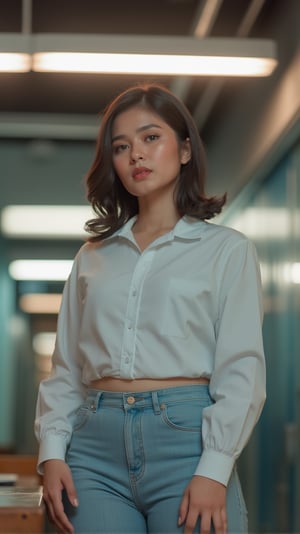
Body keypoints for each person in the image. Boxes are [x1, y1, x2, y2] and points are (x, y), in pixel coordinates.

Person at [34, 82, 266, 534]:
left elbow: (242, 369)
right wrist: (52, 452)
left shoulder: (228, 251)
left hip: (187, 446)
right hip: (93, 453)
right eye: (121, 146)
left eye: (150, 138)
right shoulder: (92, 257)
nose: (136, 154)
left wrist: (214, 468)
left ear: (184, 150)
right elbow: (66, 369)